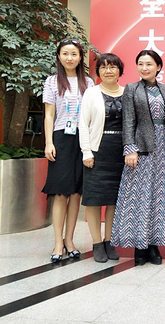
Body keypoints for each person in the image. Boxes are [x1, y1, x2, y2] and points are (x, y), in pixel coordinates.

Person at [111, 50, 165, 266]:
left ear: (158, 67)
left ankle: (154, 245)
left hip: (161, 150)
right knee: (139, 196)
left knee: (159, 196)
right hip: (140, 149)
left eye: (149, 64)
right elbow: (128, 120)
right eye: (140, 64)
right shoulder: (132, 89)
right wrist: (130, 148)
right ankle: (139, 247)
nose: (144, 68)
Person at [43, 39, 94, 263]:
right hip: (61, 138)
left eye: (74, 54)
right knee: (60, 192)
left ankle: (69, 241)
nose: (70, 58)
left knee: (75, 192)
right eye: (65, 53)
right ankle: (57, 243)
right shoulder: (52, 81)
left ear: (80, 57)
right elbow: (49, 115)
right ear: (59, 56)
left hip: (83, 138)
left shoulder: (88, 82)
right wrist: (48, 142)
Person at [79, 53, 125, 263]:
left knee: (114, 200)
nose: (108, 71)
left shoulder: (127, 93)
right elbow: (83, 124)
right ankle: (97, 243)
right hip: (98, 150)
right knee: (95, 199)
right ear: (98, 71)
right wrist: (86, 152)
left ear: (119, 70)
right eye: (104, 67)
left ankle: (109, 241)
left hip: (120, 152)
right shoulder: (91, 93)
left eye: (113, 67)